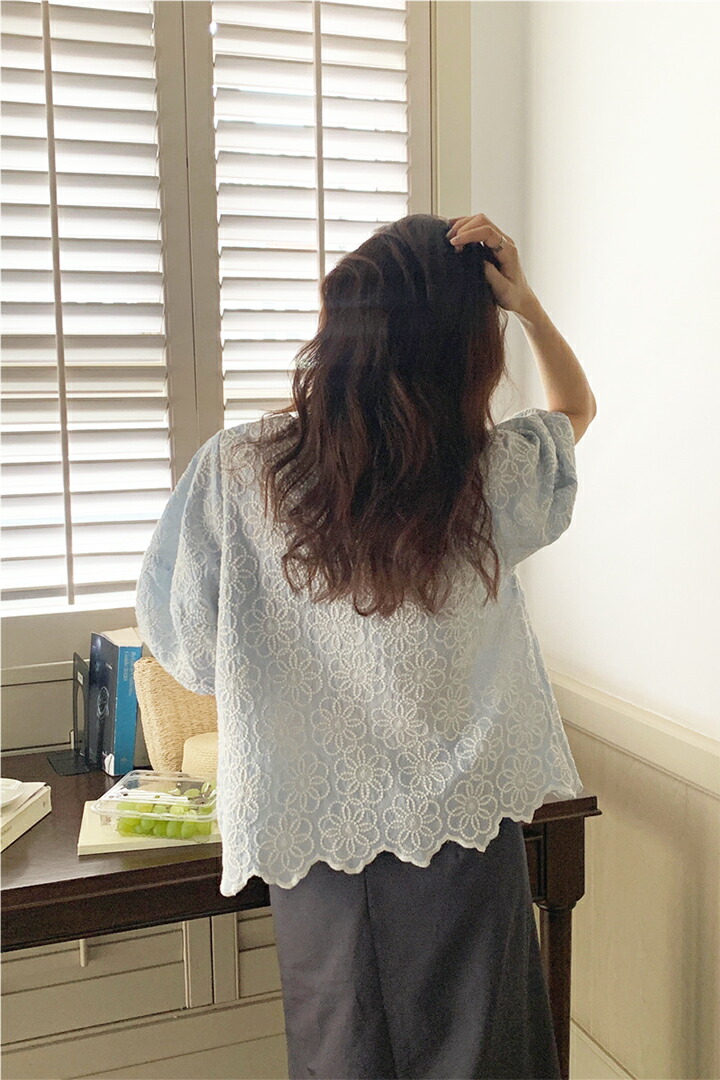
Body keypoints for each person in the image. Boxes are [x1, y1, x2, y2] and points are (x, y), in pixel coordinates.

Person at [135, 211, 597, 1079]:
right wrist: (528, 305)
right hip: (462, 833)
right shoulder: (486, 473)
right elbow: (577, 409)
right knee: (482, 1057)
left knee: (341, 1055)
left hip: (317, 836)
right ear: (466, 347)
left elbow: (184, 641)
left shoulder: (239, 469)